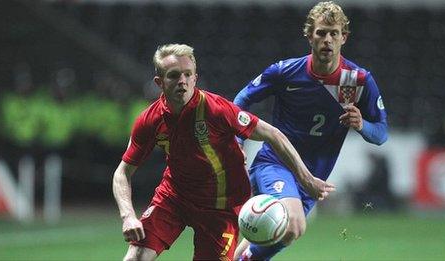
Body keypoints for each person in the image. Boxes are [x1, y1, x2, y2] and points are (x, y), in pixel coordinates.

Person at [112, 43, 335, 260]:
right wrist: (128, 216)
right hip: (174, 198)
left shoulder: (215, 108)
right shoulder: (149, 120)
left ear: (195, 78)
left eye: (188, 74)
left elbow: (273, 134)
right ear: (159, 82)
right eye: (174, 75)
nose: (182, 81)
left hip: (221, 208)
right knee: (136, 256)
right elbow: (122, 173)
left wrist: (307, 180)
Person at [233, 1, 388, 260]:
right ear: (309, 36)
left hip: (313, 180)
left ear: (343, 38)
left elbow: (381, 134)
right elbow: (240, 101)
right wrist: (237, 140)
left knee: (281, 234)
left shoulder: (357, 81)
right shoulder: (285, 72)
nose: (327, 39)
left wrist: (362, 125)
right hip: (275, 163)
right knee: (293, 223)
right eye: (321, 32)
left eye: (333, 33)